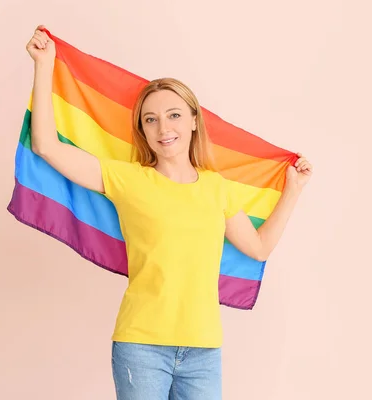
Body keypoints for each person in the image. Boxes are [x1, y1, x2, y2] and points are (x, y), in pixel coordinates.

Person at [25, 25, 313, 400]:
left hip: (204, 351)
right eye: (151, 119)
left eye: (174, 115)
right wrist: (44, 65)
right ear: (142, 131)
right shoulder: (128, 180)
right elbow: (46, 145)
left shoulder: (217, 188)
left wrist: (293, 191)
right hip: (141, 347)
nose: (164, 128)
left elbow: (258, 248)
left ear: (194, 120)